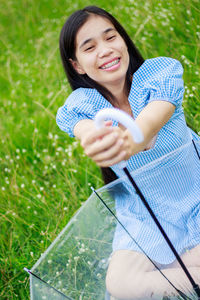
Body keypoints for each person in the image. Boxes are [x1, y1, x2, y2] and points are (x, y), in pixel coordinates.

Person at [56, 5, 200, 299]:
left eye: (111, 37)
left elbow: (149, 121)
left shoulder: (158, 75)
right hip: (145, 214)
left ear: (123, 40)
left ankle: (178, 274)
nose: (106, 50)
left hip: (195, 192)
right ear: (78, 65)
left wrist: (133, 139)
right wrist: (93, 138)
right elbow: (82, 126)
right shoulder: (84, 103)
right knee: (120, 284)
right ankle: (188, 274)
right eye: (90, 47)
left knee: (149, 279)